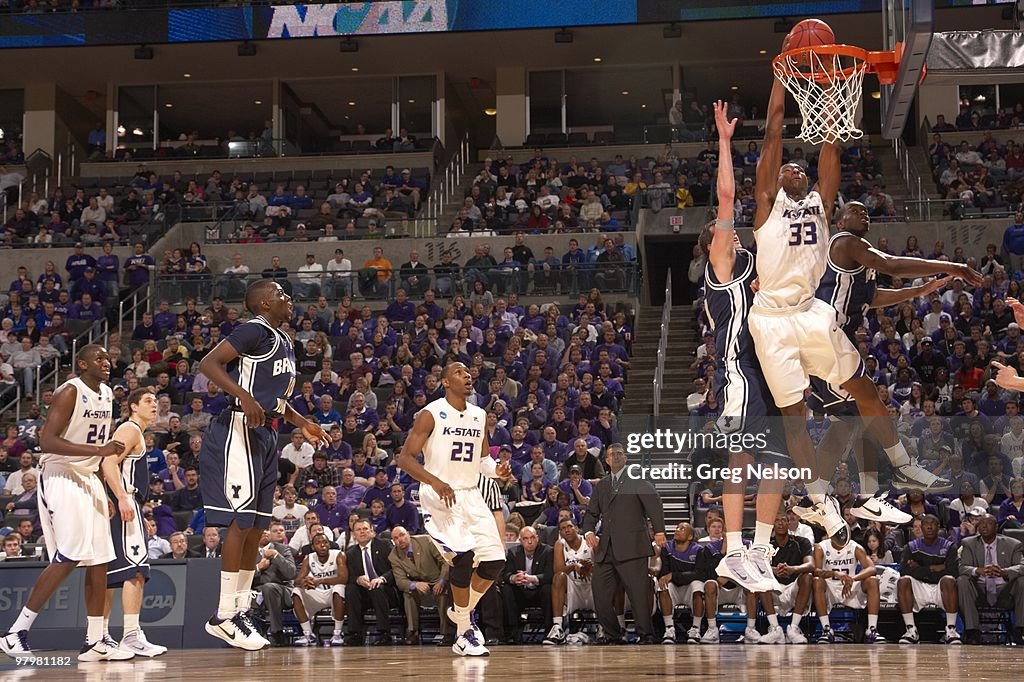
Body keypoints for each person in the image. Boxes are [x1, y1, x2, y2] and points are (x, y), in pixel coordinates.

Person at [747, 36, 951, 549]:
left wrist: (833, 83)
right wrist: (781, 74)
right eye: (788, 168)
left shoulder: (822, 204)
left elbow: (829, 146)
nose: (794, 168)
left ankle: (901, 465)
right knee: (794, 412)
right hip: (770, 318)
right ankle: (816, 495)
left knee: (861, 386)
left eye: (800, 167)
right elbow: (774, 134)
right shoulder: (767, 207)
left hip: (812, 312)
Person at [806, 199, 980, 518]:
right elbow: (894, 266)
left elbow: (873, 298)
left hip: (827, 341)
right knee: (867, 404)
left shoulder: (860, 261)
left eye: (865, 210)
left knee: (848, 421)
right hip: (823, 336)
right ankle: (901, 467)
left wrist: (919, 291)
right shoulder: (845, 242)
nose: (863, 213)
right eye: (855, 210)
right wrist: (951, 266)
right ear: (840, 220)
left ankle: (818, 499)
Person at [197, 280, 330, 651]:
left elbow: (276, 402)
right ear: (266, 302)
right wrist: (242, 395)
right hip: (239, 428)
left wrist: (303, 422)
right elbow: (208, 363)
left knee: (257, 527)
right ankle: (223, 614)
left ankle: (239, 609)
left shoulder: (284, 340)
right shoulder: (254, 328)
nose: (289, 300)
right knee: (240, 521)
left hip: (267, 433)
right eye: (282, 295)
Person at [700, 100, 786, 593]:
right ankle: (732, 550)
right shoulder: (723, 270)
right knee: (742, 457)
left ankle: (759, 548)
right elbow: (729, 196)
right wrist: (726, 142)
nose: (727, 237)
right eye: (719, 236)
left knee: (780, 460)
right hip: (737, 370)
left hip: (770, 370)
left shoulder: (761, 270)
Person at [0, 345, 131, 661]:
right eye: (99, 359)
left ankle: (95, 639)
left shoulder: (108, 395)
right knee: (70, 555)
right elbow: (47, 441)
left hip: (88, 478)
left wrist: (101, 486)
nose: (107, 363)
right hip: (60, 474)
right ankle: (16, 633)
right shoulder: (69, 391)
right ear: (82, 363)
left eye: (108, 358)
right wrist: (99, 454)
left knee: (100, 559)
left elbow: (99, 443)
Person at [395, 361, 512, 657]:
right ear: (446, 382)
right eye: (459, 372)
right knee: (463, 557)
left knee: (495, 561)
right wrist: (435, 482)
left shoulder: (478, 414)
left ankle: (460, 615)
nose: (467, 375)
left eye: (468, 372)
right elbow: (405, 459)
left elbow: (483, 460)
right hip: (440, 497)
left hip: (471, 495)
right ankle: (464, 631)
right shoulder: (430, 414)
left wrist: (498, 470)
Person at [98, 387, 167, 657]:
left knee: (111, 574)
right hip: (124, 501)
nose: (155, 405)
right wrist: (124, 498)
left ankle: (101, 636)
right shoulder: (131, 429)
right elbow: (108, 464)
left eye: (156, 401)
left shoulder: (132, 431)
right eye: (148, 401)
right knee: (135, 570)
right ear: (133, 407)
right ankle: (131, 635)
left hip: (122, 504)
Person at [580, 443, 666, 644]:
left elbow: (654, 503)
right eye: (612, 455)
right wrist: (589, 530)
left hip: (633, 546)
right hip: (606, 548)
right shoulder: (602, 484)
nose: (616, 457)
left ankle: (646, 634)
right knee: (600, 593)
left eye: (620, 454)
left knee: (637, 594)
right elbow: (592, 512)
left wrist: (660, 530)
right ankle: (613, 634)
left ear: (626, 458)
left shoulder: (637, 479)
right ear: (607, 460)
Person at [956, 513, 1024, 645]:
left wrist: (1004, 572)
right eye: (981, 524)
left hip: (1005, 592)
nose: (984, 526)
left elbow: (1022, 566)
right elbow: (962, 568)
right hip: (979, 591)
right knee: (962, 580)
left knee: (1022, 581)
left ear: (996, 526)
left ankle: (1021, 630)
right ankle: (972, 631)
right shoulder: (969, 543)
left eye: (988, 523)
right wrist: (978, 571)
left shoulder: (1013, 544)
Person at [897, 514, 961, 644]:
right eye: (926, 524)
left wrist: (919, 568)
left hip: (940, 588)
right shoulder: (911, 547)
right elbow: (904, 571)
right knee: (903, 581)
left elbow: (953, 571)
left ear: (939, 527)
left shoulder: (949, 547)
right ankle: (910, 630)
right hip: (919, 587)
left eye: (933, 524)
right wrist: (933, 568)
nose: (930, 527)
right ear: (921, 527)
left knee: (949, 580)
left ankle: (950, 629)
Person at [812, 533, 885, 644]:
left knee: (873, 581)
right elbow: (816, 571)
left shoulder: (856, 547)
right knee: (817, 581)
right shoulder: (820, 547)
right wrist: (835, 573)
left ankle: (872, 630)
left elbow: (871, 568)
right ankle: (826, 630)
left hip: (850, 586)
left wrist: (852, 579)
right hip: (830, 586)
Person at [388, 525, 451, 646]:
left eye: (402, 535)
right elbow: (400, 581)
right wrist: (414, 584)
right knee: (408, 594)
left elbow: (445, 562)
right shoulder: (394, 556)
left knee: (443, 595)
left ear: (408, 534)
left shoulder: (426, 541)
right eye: (395, 538)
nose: (400, 540)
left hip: (438, 580)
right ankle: (413, 632)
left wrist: (442, 581)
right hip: (420, 584)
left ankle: (446, 634)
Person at [544, 516, 595, 645]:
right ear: (560, 533)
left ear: (577, 528)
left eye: (570, 526)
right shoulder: (560, 544)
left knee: (604, 579)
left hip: (593, 587)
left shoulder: (590, 541)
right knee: (559, 577)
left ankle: (604, 627)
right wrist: (573, 566)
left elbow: (604, 567)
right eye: (563, 529)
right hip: (574, 590)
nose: (567, 530)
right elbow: (558, 570)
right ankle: (557, 627)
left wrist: (589, 567)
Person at [291, 533, 347, 647]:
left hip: (333, 593)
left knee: (338, 588)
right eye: (318, 543)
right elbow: (297, 581)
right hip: (317, 593)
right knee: (296, 591)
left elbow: (343, 578)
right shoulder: (309, 558)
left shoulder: (338, 555)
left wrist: (320, 581)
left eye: (325, 542)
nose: (322, 545)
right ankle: (308, 634)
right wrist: (304, 582)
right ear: (313, 547)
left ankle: (337, 633)